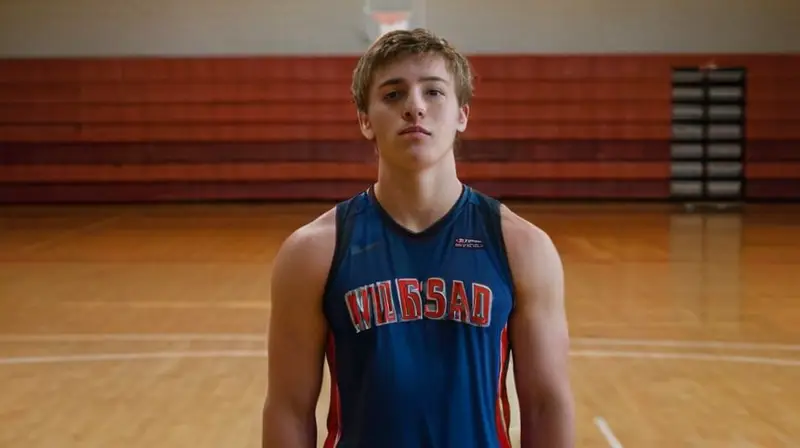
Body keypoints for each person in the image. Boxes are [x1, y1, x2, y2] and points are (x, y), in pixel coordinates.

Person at [262, 28, 574, 448]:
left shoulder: (522, 246)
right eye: (393, 95)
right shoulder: (313, 252)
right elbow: (289, 408)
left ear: (462, 114)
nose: (414, 107)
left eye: (434, 92)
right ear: (365, 120)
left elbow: (545, 404)